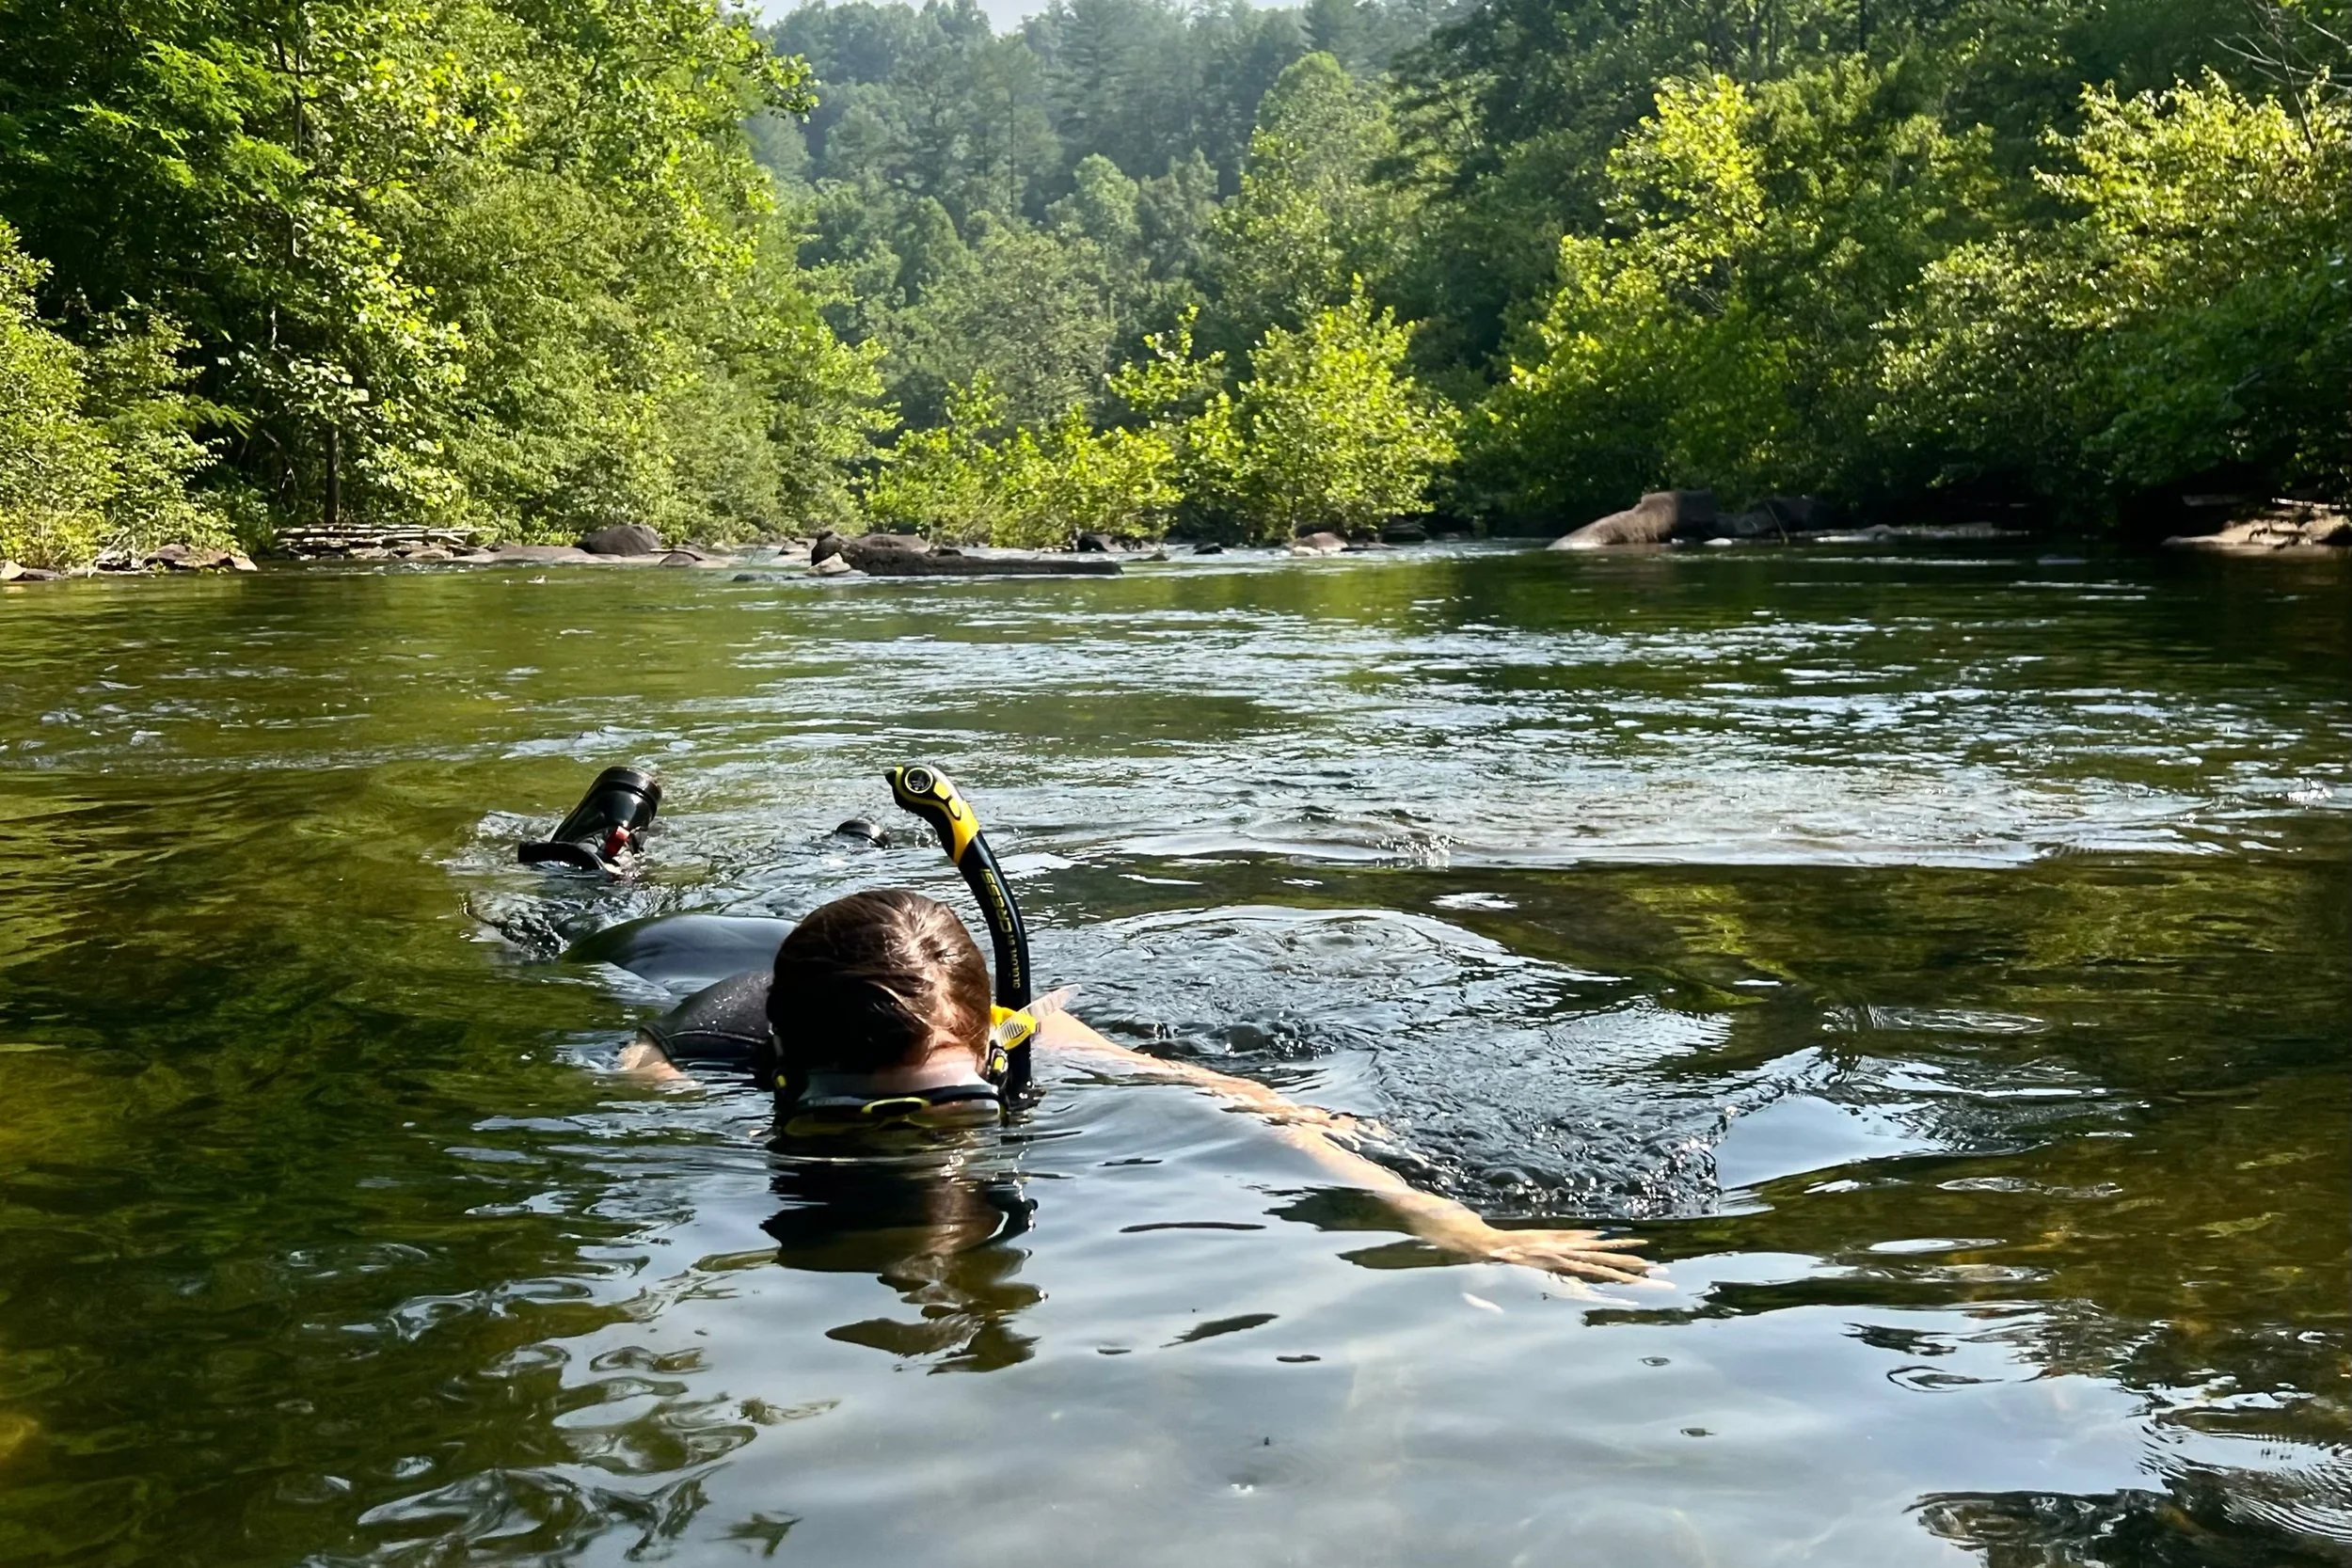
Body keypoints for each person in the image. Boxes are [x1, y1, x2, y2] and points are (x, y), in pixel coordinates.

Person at [609, 887, 1652, 1288]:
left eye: (946, 1100)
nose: (909, 1134)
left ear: (988, 1050)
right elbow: (642, 1119)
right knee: (583, 910)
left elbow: (1226, 1094)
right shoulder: (696, 1052)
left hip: (841, 968)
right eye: (862, 1106)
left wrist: (1447, 1222)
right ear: (794, 1069)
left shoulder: (1025, 1032)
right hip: (678, 953)